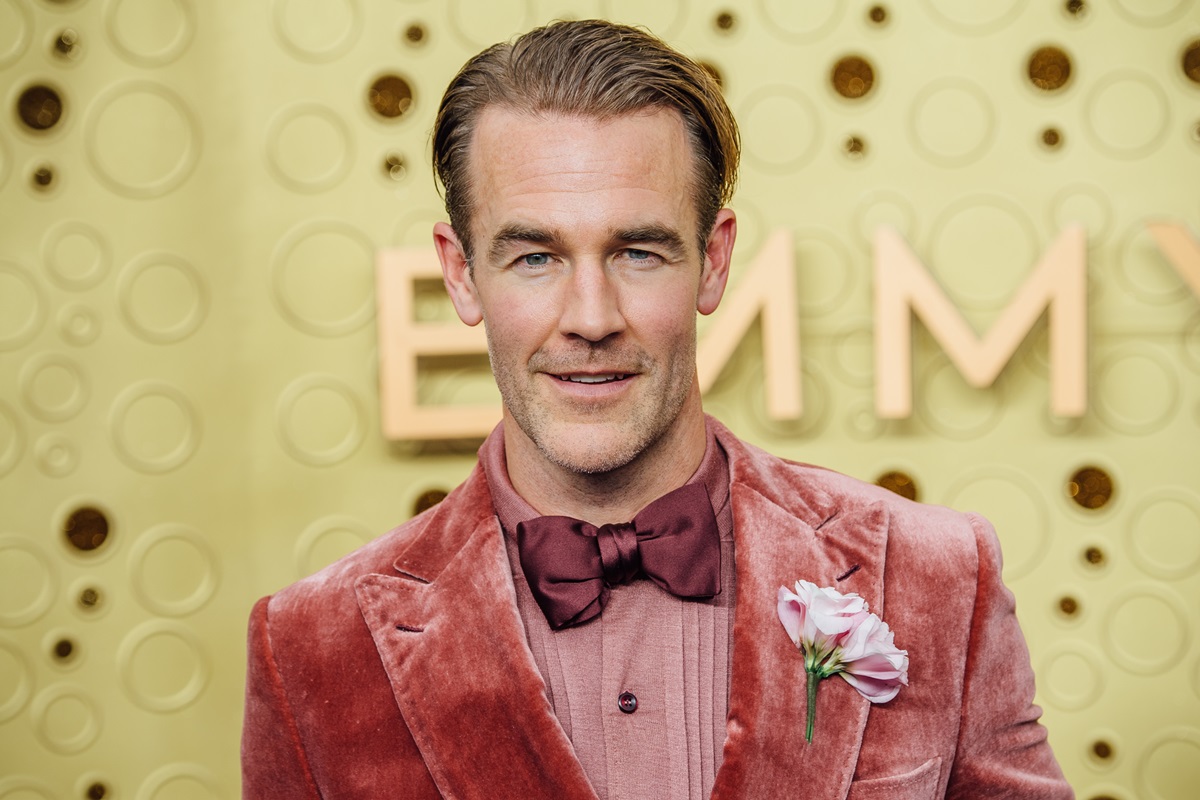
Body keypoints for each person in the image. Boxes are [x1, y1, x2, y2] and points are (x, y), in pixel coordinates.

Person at [241, 19, 1072, 799]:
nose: (591, 317)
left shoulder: (938, 578)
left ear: (713, 261)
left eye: (638, 252)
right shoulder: (312, 646)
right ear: (460, 273)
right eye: (535, 257)